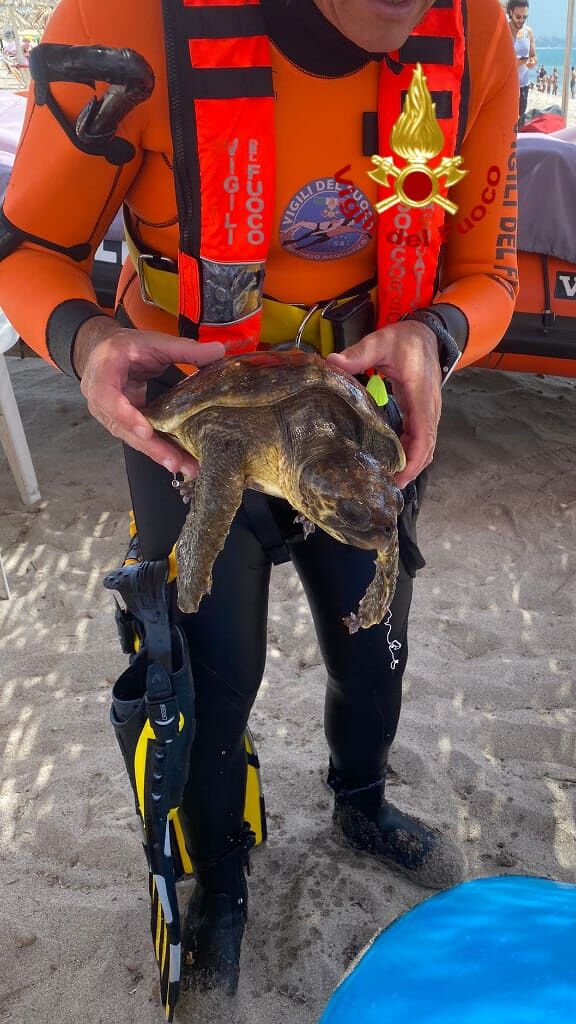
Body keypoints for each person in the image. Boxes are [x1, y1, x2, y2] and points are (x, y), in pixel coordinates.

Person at [0, 0, 519, 1006]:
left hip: (360, 412)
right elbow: (23, 248)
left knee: (375, 644)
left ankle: (362, 801)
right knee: (206, 672)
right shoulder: (127, 19)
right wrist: (84, 341)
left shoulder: (476, 29)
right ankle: (221, 874)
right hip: (200, 420)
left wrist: (440, 333)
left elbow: (485, 267)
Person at [507, 0, 537, 122]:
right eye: (518, 17)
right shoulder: (503, 30)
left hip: (523, 85)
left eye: (525, 17)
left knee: (519, 122)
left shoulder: (528, 32)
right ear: (510, 12)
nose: (521, 20)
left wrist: (532, 62)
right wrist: (515, 63)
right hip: (506, 86)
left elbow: (533, 56)